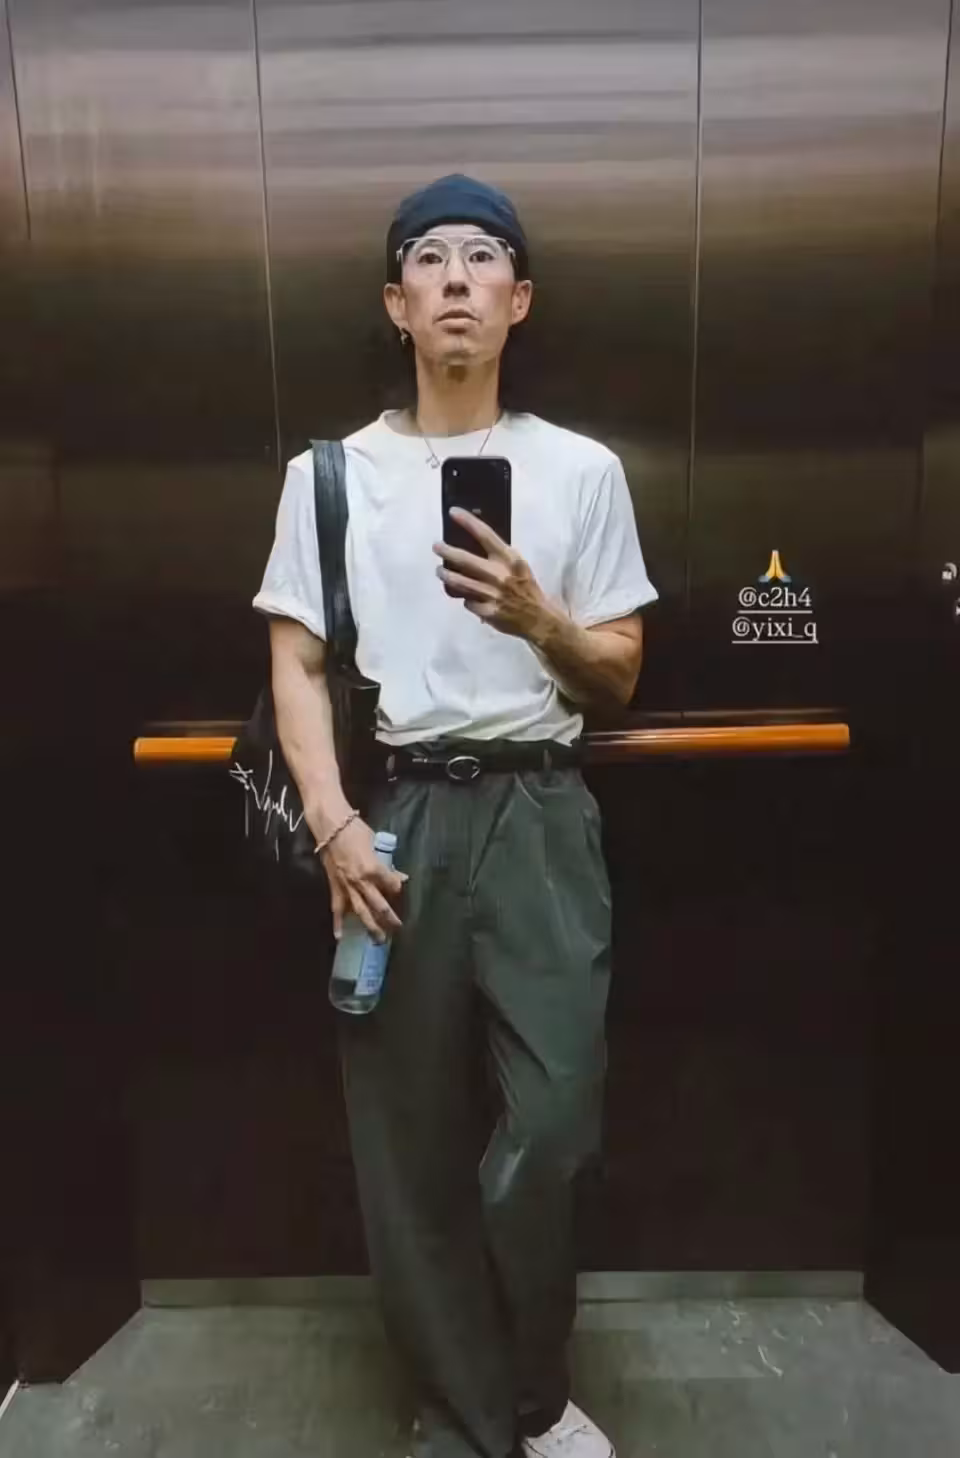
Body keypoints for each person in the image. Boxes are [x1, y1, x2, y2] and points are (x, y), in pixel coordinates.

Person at [253, 175, 658, 1458]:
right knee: (409, 1142)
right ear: (398, 302)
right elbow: (297, 661)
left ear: (519, 299)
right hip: (397, 820)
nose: (458, 279)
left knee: (555, 1123)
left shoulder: (582, 472)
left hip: (542, 816)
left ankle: (529, 1391)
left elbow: (619, 671)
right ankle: (471, 1414)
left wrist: (540, 618)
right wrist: (331, 822)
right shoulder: (330, 477)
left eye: (485, 257)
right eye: (430, 259)